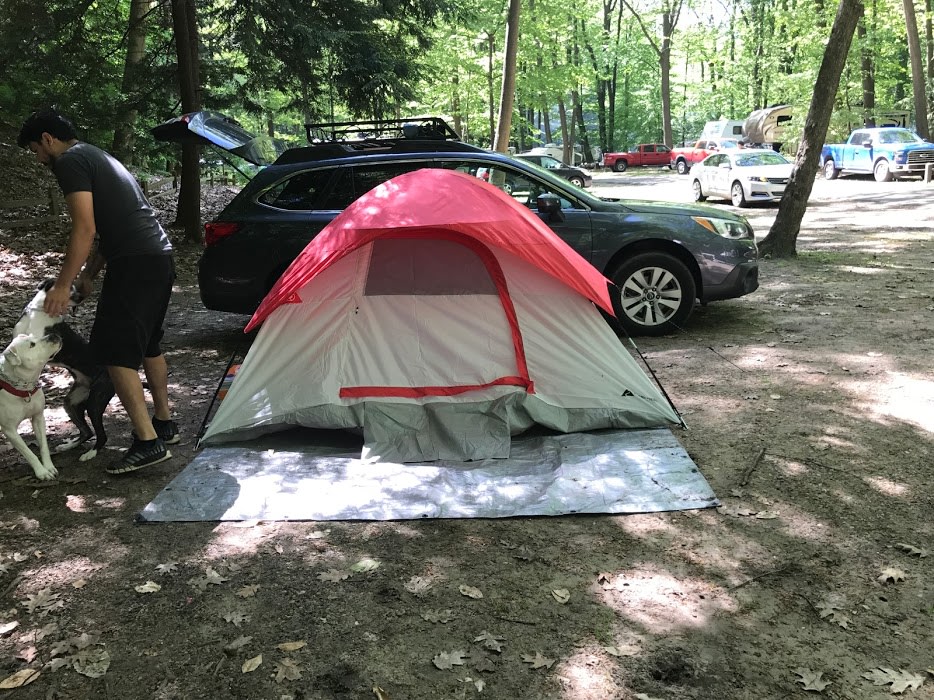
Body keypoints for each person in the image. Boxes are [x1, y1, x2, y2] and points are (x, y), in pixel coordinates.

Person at [17, 108, 179, 474]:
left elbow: (85, 229)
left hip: (135, 263)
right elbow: (110, 226)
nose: (39, 159)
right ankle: (164, 424)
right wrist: (89, 274)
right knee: (148, 344)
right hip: (158, 257)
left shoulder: (69, 161)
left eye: (36, 150)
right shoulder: (96, 155)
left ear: (47, 139)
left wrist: (62, 286)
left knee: (115, 353)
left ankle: (148, 443)